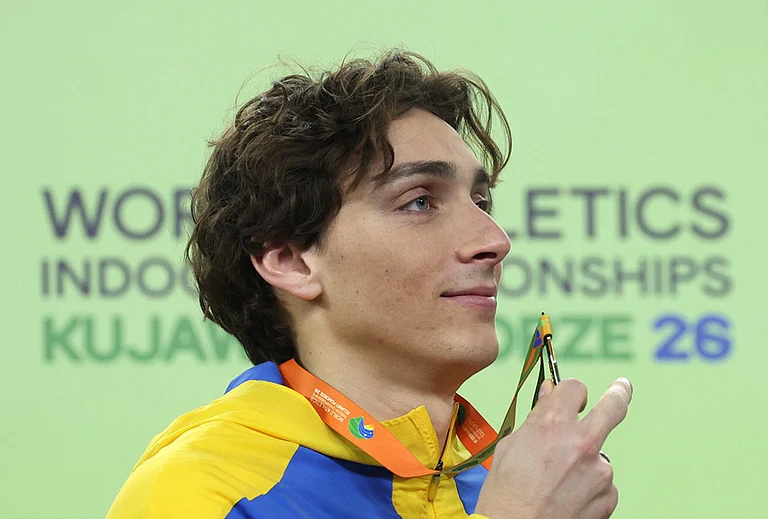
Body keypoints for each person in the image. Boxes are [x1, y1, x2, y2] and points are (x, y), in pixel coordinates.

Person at [107, 48, 633, 518]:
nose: (495, 240)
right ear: (291, 261)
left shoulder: (505, 485)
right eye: (420, 201)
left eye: (481, 202)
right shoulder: (201, 493)